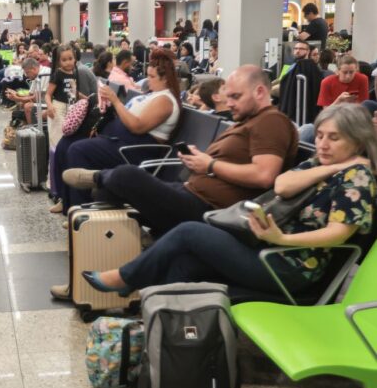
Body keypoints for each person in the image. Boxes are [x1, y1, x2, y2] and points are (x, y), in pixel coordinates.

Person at [50, 65, 300, 300]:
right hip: (191, 193)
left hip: (210, 209)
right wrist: (200, 160)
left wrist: (209, 165)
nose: (229, 102)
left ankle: (98, 178)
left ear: (259, 92)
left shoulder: (271, 121)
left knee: (127, 176)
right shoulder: (248, 122)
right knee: (105, 198)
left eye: (236, 96)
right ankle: (95, 276)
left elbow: (264, 175)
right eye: (229, 96)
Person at [82, 104, 376, 298]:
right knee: (187, 263)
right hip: (266, 248)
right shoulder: (325, 165)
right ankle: (158, 327)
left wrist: (282, 238)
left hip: (289, 268)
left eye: (334, 138)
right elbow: (282, 185)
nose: (323, 144)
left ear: (358, 140)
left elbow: (339, 234)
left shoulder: (359, 179)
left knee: (189, 231)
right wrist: (335, 166)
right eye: (321, 135)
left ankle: (125, 278)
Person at [53, 49, 182, 213]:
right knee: (66, 143)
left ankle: (80, 210)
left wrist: (115, 100)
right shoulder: (156, 95)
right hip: (121, 140)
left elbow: (137, 126)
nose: (148, 82)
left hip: (135, 149)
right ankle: (68, 201)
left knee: (77, 150)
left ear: (165, 78)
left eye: (152, 77)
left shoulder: (165, 100)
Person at [4, 57, 51, 123]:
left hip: (50, 103)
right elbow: (30, 94)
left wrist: (17, 98)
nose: (26, 75)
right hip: (43, 100)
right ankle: (28, 125)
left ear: (33, 69)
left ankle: (32, 129)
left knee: (28, 106)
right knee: (23, 103)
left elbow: (35, 98)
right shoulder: (37, 75)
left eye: (27, 72)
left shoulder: (44, 74)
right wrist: (17, 94)